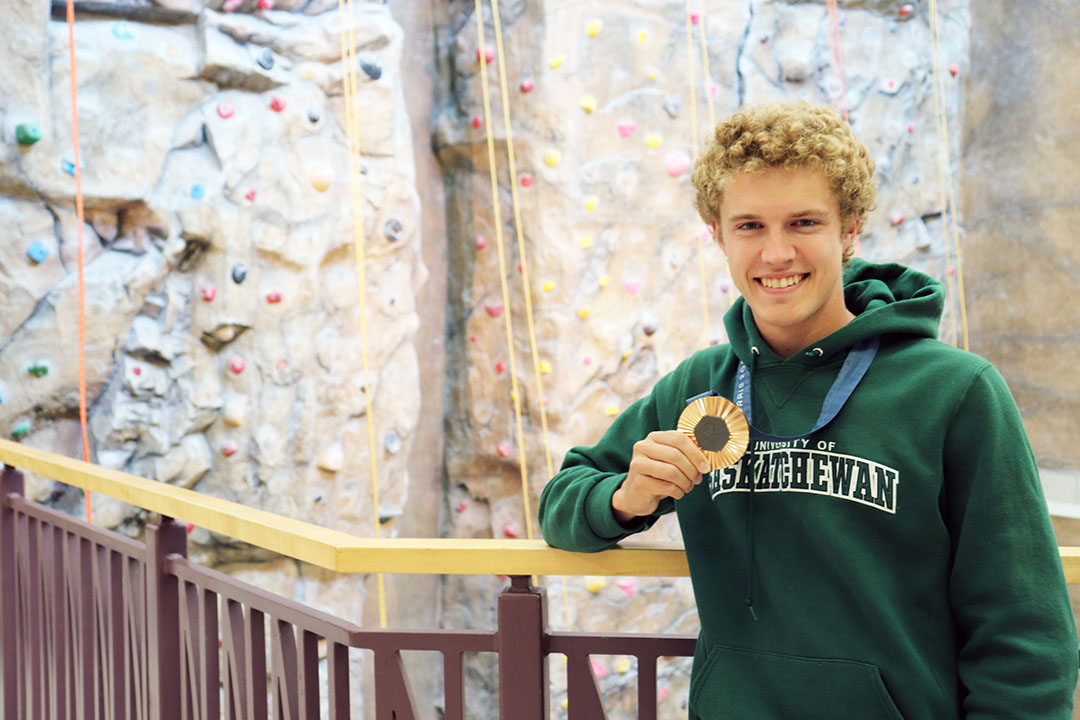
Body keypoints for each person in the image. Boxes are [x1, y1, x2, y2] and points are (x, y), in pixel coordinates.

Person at [538, 101, 1078, 719]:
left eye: (802, 223)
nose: (775, 254)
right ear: (717, 234)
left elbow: (1024, 633)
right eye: (749, 227)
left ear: (848, 230)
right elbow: (561, 499)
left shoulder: (955, 391)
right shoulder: (697, 384)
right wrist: (624, 499)